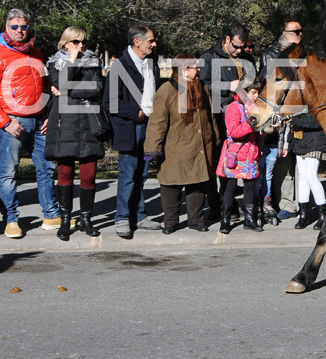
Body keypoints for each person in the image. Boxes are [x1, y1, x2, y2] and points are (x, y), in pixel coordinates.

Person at [144, 53, 220, 233]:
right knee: (171, 184)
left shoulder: (202, 87)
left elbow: (211, 117)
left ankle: (196, 219)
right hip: (175, 147)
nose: (199, 69)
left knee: (198, 183)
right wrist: (153, 148)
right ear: (184, 70)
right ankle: (170, 221)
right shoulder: (167, 90)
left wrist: (215, 138)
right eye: (194, 67)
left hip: (199, 145)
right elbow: (157, 122)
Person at [0, 8, 58, 238]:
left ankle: (51, 214)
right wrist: (5, 122)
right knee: (7, 173)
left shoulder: (37, 53)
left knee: (46, 169)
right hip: (12, 122)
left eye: (23, 26)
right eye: (14, 26)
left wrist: (45, 115)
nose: (19, 31)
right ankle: (11, 219)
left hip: (38, 121)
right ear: (6, 27)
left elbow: (43, 87)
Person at [44, 27, 105, 240]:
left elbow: (97, 88)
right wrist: (71, 61)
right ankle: (65, 220)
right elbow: (61, 82)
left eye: (84, 42)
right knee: (65, 174)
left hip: (89, 122)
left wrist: (68, 91)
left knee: (89, 174)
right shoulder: (54, 63)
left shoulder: (92, 61)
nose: (81, 46)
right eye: (76, 42)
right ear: (66, 43)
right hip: (65, 124)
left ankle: (86, 219)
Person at [104, 24, 162, 238]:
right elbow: (110, 101)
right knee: (128, 173)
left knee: (143, 173)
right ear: (137, 42)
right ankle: (122, 217)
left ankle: (139, 214)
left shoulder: (151, 64)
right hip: (130, 128)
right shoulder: (120, 67)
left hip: (150, 128)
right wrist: (136, 113)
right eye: (150, 40)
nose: (154, 44)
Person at [199, 24, 253, 222]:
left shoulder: (247, 59)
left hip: (243, 116)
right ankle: (217, 207)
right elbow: (200, 86)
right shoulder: (208, 58)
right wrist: (226, 86)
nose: (240, 51)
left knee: (240, 163)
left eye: (243, 47)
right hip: (218, 118)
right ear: (227, 39)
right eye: (236, 47)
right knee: (219, 165)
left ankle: (236, 206)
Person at [257, 25, 303, 220]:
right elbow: (264, 86)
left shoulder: (302, 61)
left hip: (298, 115)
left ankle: (292, 203)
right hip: (277, 116)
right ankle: (276, 202)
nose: (299, 35)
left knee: (294, 163)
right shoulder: (271, 60)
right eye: (295, 32)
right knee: (278, 160)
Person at [216, 80, 264, 233]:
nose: (256, 96)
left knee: (250, 186)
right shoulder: (233, 107)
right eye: (253, 92)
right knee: (230, 186)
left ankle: (249, 219)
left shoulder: (257, 108)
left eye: (258, 93)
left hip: (251, 152)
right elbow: (234, 131)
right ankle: (225, 219)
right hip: (235, 153)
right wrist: (251, 124)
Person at [288, 108, 326, 229]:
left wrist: (294, 120)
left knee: (311, 177)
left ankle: (323, 214)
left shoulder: (315, 99)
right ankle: (304, 214)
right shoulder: (297, 102)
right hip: (300, 141)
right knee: (302, 177)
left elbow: (317, 121)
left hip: (315, 141)